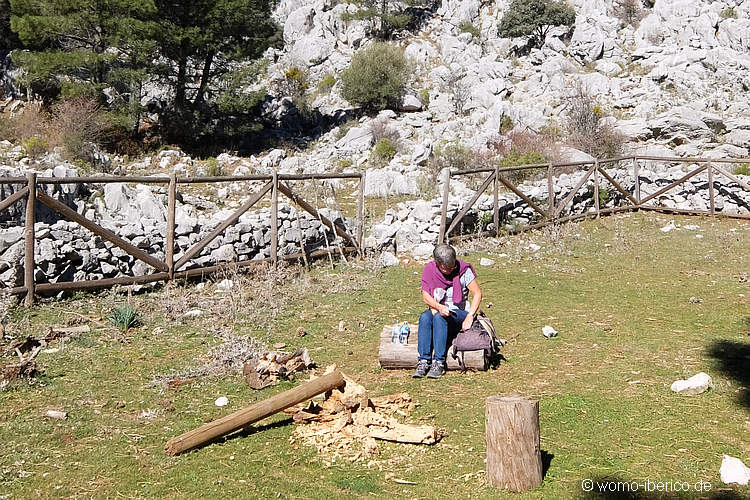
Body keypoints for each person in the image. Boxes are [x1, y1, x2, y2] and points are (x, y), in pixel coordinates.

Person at [414, 243, 482, 379]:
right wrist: (439, 307)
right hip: (440, 309)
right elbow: (426, 295)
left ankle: (439, 361)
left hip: (458, 313)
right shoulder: (429, 270)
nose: (450, 270)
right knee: (425, 317)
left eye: (452, 267)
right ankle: (423, 361)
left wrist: (470, 316)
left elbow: (477, 294)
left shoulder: (463, 270)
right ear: (438, 264)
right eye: (446, 269)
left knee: (440, 318)